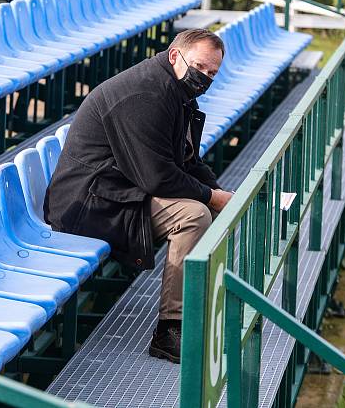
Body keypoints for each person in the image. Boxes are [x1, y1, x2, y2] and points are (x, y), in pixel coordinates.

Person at [43, 29, 232, 363]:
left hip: (120, 189)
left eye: (212, 73)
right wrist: (211, 197)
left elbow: (188, 161)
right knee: (194, 215)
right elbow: (157, 176)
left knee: (213, 207)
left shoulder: (176, 91)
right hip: (88, 201)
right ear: (176, 56)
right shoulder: (145, 93)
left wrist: (221, 194)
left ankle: (205, 312)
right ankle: (170, 330)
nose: (205, 78)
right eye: (201, 67)